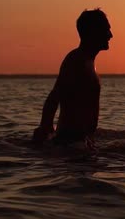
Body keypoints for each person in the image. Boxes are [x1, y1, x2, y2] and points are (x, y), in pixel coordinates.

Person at [32, 9, 113, 147]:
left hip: (82, 142)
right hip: (70, 143)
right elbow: (55, 95)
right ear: (93, 32)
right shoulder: (76, 60)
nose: (110, 35)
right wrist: (45, 127)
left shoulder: (88, 62)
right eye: (106, 30)